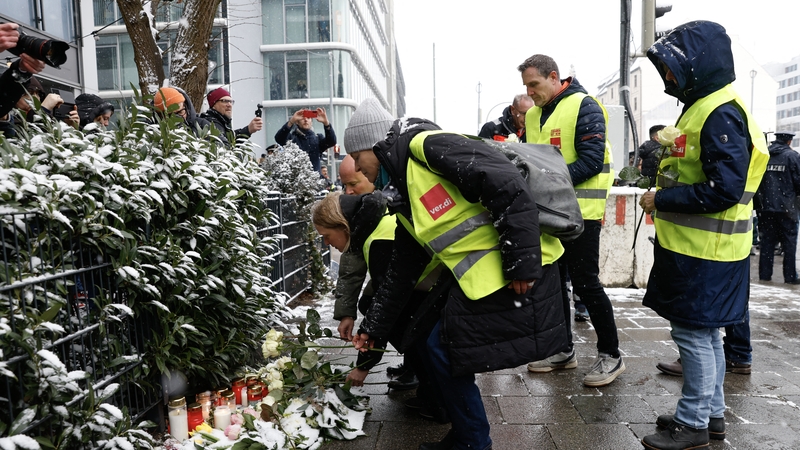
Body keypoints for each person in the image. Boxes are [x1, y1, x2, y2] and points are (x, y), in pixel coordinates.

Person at [347, 98, 567, 450]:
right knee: (432, 341)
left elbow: (506, 183)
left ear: (373, 144)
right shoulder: (402, 189)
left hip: (516, 266)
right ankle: (467, 437)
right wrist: (373, 327)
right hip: (481, 274)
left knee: (441, 346)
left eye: (357, 159)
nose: (357, 169)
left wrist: (523, 261)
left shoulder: (425, 146)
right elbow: (403, 269)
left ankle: (472, 442)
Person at [638, 21, 769, 449]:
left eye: (673, 69)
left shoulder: (718, 110)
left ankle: (691, 423)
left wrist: (663, 199)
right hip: (706, 249)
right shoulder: (710, 104)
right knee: (705, 334)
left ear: (697, 64)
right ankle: (709, 416)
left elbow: (723, 188)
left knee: (693, 337)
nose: (669, 79)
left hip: (705, 251)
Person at [519, 54, 624, 387]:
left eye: (534, 84)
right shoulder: (534, 114)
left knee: (585, 284)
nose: (530, 92)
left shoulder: (585, 105)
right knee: (553, 284)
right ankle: (563, 350)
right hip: (549, 215)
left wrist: (548, 184)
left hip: (581, 214)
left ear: (554, 77)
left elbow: (592, 161)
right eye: (526, 86)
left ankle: (612, 354)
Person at [756, 131, 800, 284]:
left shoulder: (765, 155)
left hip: (766, 207)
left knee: (767, 242)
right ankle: (790, 276)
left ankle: (765, 275)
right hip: (787, 208)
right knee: (789, 243)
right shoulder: (792, 156)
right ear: (789, 141)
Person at [273, 107, 335, 172]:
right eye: (303, 118)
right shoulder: (291, 138)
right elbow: (279, 138)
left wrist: (326, 123)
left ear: (311, 121)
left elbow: (332, 141)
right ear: (297, 122)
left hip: (314, 179)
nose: (306, 120)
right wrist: (291, 121)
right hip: (296, 179)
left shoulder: (318, 138)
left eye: (308, 118)